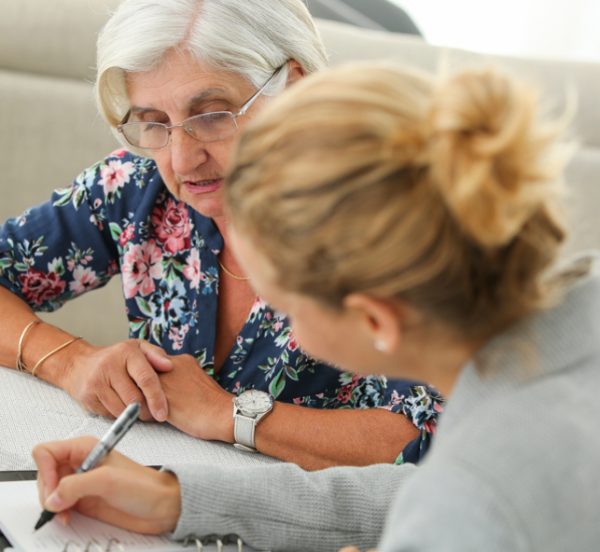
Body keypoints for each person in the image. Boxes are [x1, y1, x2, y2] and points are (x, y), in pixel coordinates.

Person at [33, 63, 600, 552]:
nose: (293, 338)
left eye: (291, 311)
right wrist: (181, 498)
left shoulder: (473, 502)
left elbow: (462, 500)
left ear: (376, 321)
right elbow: (426, 489)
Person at [0, 0, 441, 469]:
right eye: (154, 122)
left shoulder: (392, 219)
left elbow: (436, 438)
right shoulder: (136, 185)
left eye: (211, 115)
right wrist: (72, 362)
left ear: (294, 86)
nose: (182, 159)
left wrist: (227, 415)